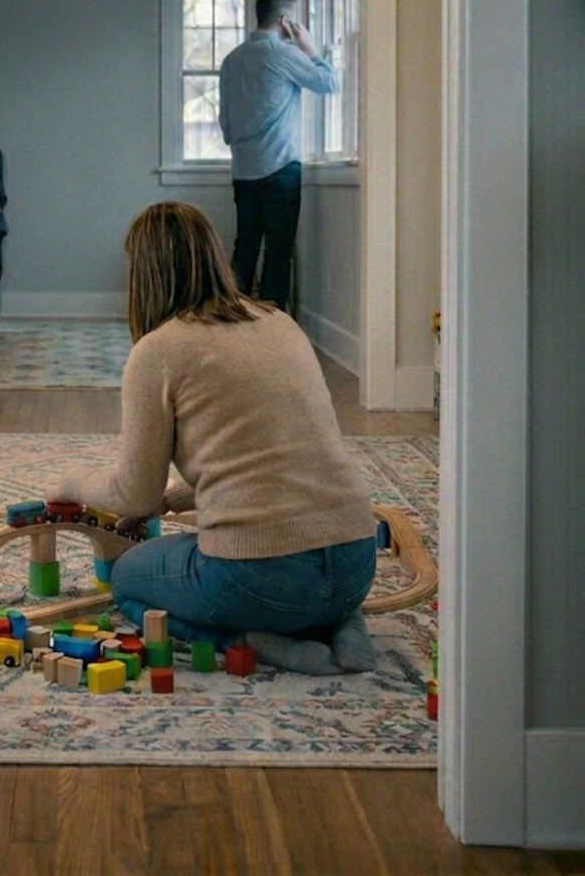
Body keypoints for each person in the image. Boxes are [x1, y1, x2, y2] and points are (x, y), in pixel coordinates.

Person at [49, 202, 378, 675]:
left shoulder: (158, 351)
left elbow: (131, 494)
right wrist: (173, 500)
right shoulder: (279, 321)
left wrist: (71, 481)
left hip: (262, 578)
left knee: (128, 580)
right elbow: (272, 455)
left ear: (143, 274)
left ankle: (246, 639)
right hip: (355, 564)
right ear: (214, 255)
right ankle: (345, 626)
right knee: (313, 583)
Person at [219, 0, 337, 310]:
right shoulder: (284, 54)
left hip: (243, 169)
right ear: (285, 20)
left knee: (245, 248)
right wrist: (311, 49)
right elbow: (329, 84)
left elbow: (226, 126)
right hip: (281, 167)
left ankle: (232, 320)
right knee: (278, 252)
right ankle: (272, 332)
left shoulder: (231, 61)